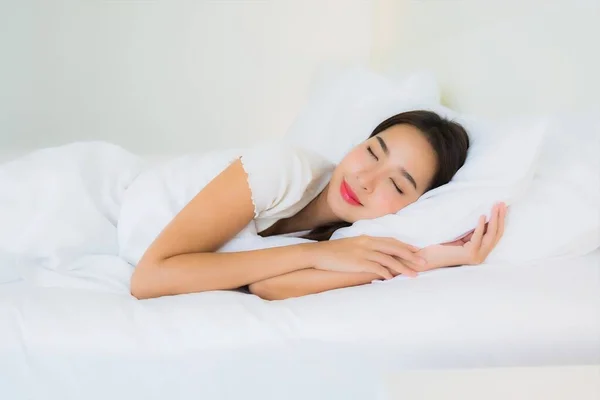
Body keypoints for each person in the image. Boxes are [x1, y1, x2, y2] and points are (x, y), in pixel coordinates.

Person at [130, 110, 507, 301]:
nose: (365, 179)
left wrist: (428, 259)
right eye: (372, 152)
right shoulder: (283, 170)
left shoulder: (349, 238)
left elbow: (269, 287)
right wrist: (317, 256)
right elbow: (149, 279)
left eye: (395, 183)